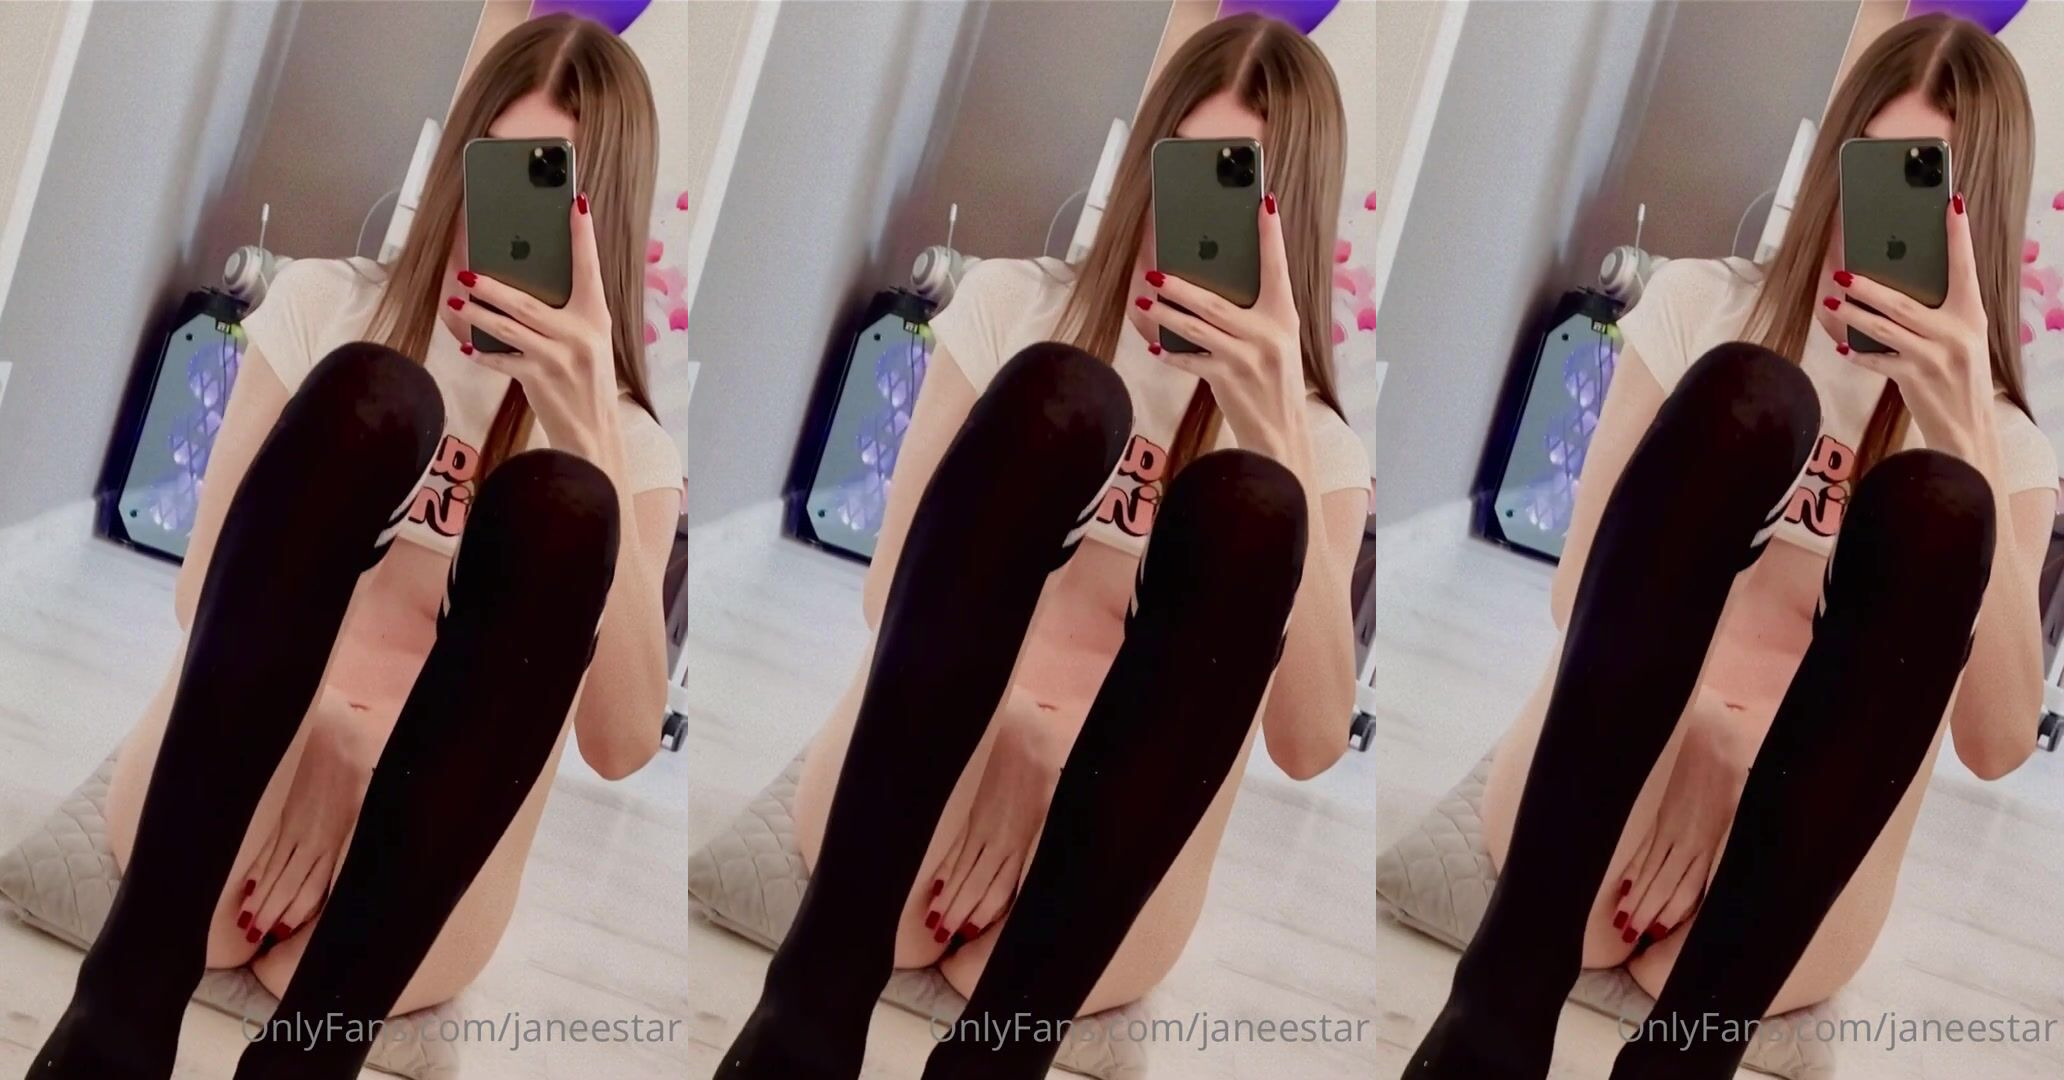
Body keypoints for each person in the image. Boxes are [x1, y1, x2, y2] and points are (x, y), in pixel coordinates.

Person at [716, 13, 1370, 1080]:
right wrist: (1016, 731)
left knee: (1254, 506)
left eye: (1229, 196)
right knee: (1063, 397)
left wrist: (1277, 429)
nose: (1181, 226)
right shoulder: (1013, 306)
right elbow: (894, 593)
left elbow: (1309, 743)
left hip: (1118, 838)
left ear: (1284, 225)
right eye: (1177, 173)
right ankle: (807, 1017)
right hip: (938, 756)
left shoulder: (1321, 449)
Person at [29, 15, 682, 1079]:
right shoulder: (325, 307)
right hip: (247, 761)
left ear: (596, 225)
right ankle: (116, 1020)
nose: (494, 227)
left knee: (566, 506)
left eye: (541, 195)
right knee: (376, 398)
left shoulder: (634, 450)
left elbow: (621, 745)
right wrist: (328, 731)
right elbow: (206, 595)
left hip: (427, 841)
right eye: (490, 173)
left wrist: (591, 433)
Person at [1407, 14, 2050, 1079]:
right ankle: (1492, 1019)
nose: (1870, 227)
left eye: (1918, 196)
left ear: (1972, 224)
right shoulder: (1703, 306)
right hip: (1628, 758)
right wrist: (1703, 730)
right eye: (1866, 173)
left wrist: (1967, 428)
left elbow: (1997, 743)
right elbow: (1582, 590)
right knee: (1751, 397)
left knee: (1941, 505)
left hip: (1803, 839)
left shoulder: (2010, 449)